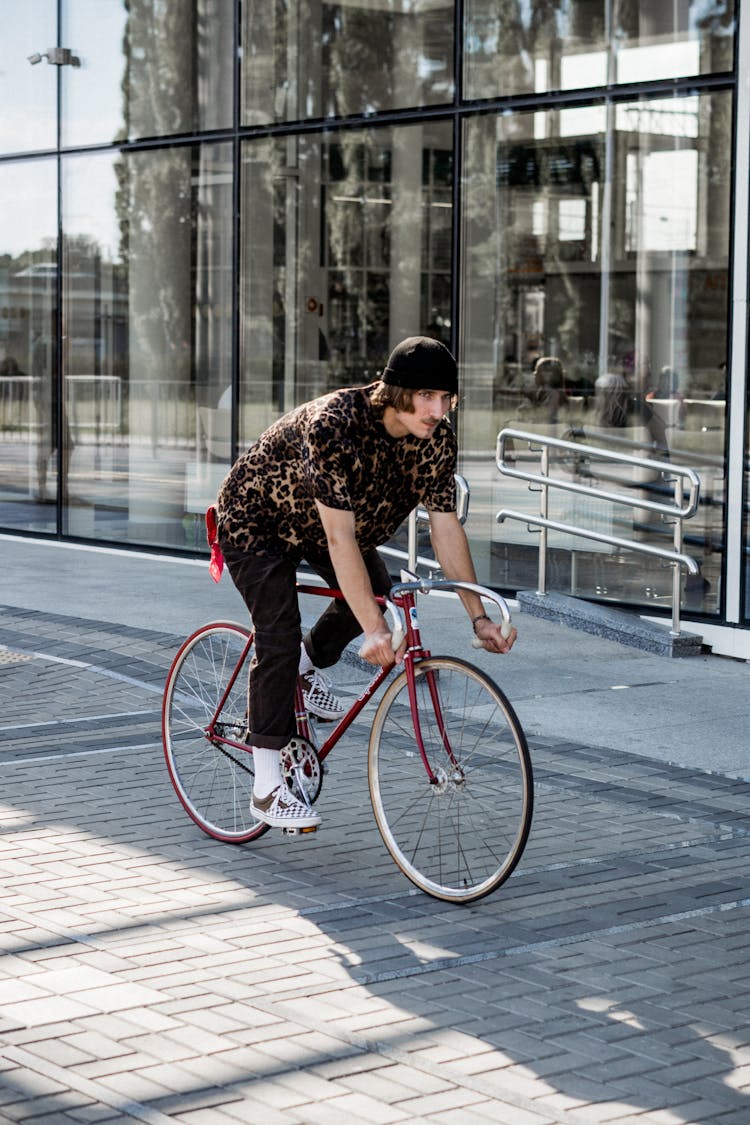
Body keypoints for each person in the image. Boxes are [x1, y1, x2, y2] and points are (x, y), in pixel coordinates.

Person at [214, 336, 516, 831]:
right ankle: (267, 787)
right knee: (279, 633)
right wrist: (376, 629)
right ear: (397, 391)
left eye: (447, 399)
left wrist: (478, 616)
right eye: (427, 397)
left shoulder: (435, 439)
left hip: (324, 526)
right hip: (258, 521)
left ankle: (305, 667)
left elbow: (445, 527)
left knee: (376, 599)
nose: (438, 410)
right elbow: (339, 537)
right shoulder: (338, 425)